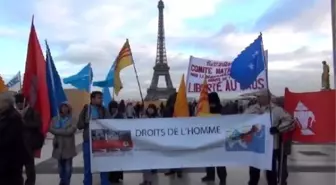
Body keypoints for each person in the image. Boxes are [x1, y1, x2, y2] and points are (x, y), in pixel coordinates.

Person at [244, 90, 294, 185]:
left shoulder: (277, 110)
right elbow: (241, 121)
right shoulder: (251, 109)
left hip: (271, 146)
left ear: (268, 97)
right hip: (255, 146)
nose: (258, 98)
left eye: (260, 96)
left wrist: (278, 129)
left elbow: (290, 121)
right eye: (258, 96)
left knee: (271, 173)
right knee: (254, 172)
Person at [77, 91, 110, 185]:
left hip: (101, 141)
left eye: (101, 98)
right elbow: (79, 125)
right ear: (92, 99)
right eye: (99, 98)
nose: (101, 100)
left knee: (103, 164)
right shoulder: (86, 109)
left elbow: (110, 123)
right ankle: (87, 182)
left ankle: (104, 182)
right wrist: (87, 122)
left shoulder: (104, 110)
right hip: (88, 140)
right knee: (88, 165)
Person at [15, 93, 43, 185]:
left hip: (29, 144)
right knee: (16, 167)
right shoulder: (13, 113)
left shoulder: (32, 112)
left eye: (20, 102)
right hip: (16, 144)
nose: (19, 104)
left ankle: (30, 183)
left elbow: (37, 124)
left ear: (24, 102)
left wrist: (24, 123)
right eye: (17, 102)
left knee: (29, 167)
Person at [0, 92, 26, 185]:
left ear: (6, 103)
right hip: (5, 160)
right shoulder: (3, 116)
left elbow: (9, 139)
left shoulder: (13, 117)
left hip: (11, 161)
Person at [201, 92, 227, 185]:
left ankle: (218, 177)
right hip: (214, 136)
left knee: (215, 159)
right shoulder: (220, 108)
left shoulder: (210, 109)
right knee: (213, 159)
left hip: (214, 137)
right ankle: (218, 177)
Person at [49, 102, 77, 185]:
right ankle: (62, 179)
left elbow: (70, 131)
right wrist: (64, 130)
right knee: (60, 167)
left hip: (68, 146)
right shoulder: (55, 119)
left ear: (69, 108)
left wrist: (57, 131)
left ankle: (66, 182)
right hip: (58, 145)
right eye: (62, 107)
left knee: (68, 167)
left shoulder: (73, 119)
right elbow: (50, 129)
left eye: (66, 107)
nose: (64, 109)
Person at [163, 92, 183, 178]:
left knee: (175, 153)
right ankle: (175, 170)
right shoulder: (169, 109)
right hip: (174, 134)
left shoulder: (169, 109)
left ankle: (177, 169)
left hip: (176, 134)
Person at [140, 104, 159, 185]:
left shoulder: (158, 118)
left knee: (150, 163)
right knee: (144, 164)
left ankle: (149, 181)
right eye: (149, 108)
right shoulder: (144, 117)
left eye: (152, 109)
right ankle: (145, 180)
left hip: (153, 144)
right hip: (144, 144)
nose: (150, 110)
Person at [107, 100, 124, 183]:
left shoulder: (120, 115)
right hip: (110, 140)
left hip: (118, 140)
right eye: (112, 108)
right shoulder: (108, 115)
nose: (113, 109)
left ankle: (117, 176)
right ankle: (111, 176)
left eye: (114, 108)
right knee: (110, 159)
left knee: (118, 159)